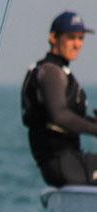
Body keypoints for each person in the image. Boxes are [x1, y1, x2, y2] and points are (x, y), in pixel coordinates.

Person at [21, 11, 96, 187]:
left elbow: (69, 115)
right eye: (71, 37)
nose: (77, 44)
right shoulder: (50, 72)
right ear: (53, 37)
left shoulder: (60, 71)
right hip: (61, 164)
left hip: (72, 161)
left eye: (81, 38)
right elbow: (59, 115)